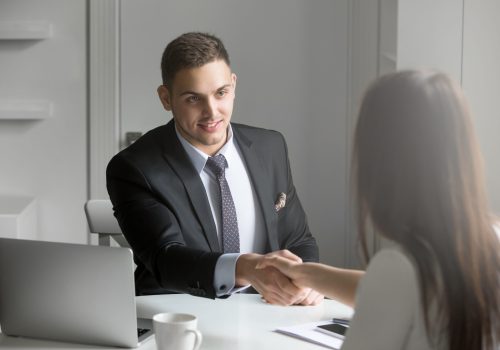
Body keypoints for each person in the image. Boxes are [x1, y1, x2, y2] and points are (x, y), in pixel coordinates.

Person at [257, 70, 500, 349]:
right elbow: (387, 289)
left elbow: (393, 285)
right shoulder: (491, 237)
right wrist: (308, 274)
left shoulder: (400, 267)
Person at [106, 32, 323, 306]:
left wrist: (307, 278)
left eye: (221, 93)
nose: (212, 112)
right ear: (165, 98)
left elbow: (298, 238)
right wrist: (244, 268)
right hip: (178, 318)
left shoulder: (271, 147)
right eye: (193, 99)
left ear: (233, 85)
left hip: (266, 314)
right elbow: (165, 258)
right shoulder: (134, 168)